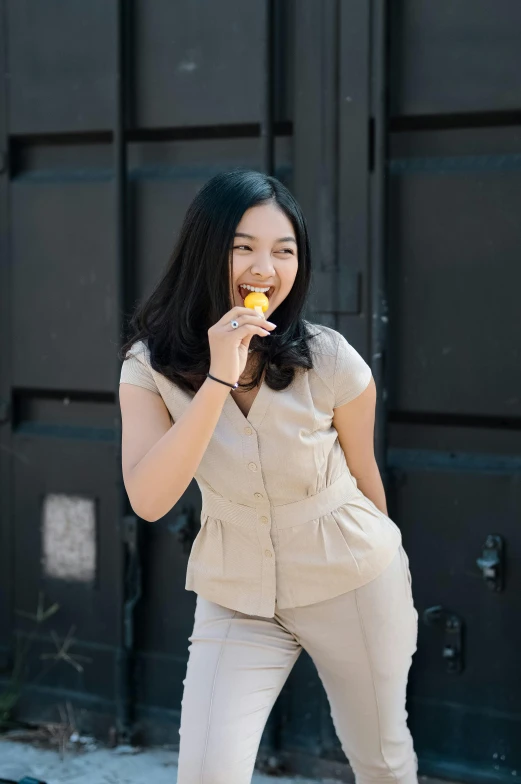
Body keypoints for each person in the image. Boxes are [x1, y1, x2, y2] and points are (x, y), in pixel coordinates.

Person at [118, 169, 419, 784]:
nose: (265, 267)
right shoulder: (148, 367)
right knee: (207, 774)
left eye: (284, 251)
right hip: (237, 594)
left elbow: (366, 479)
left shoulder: (330, 358)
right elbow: (149, 500)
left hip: (353, 579)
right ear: (206, 250)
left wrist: (390, 572)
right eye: (243, 247)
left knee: (382, 762)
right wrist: (217, 377)